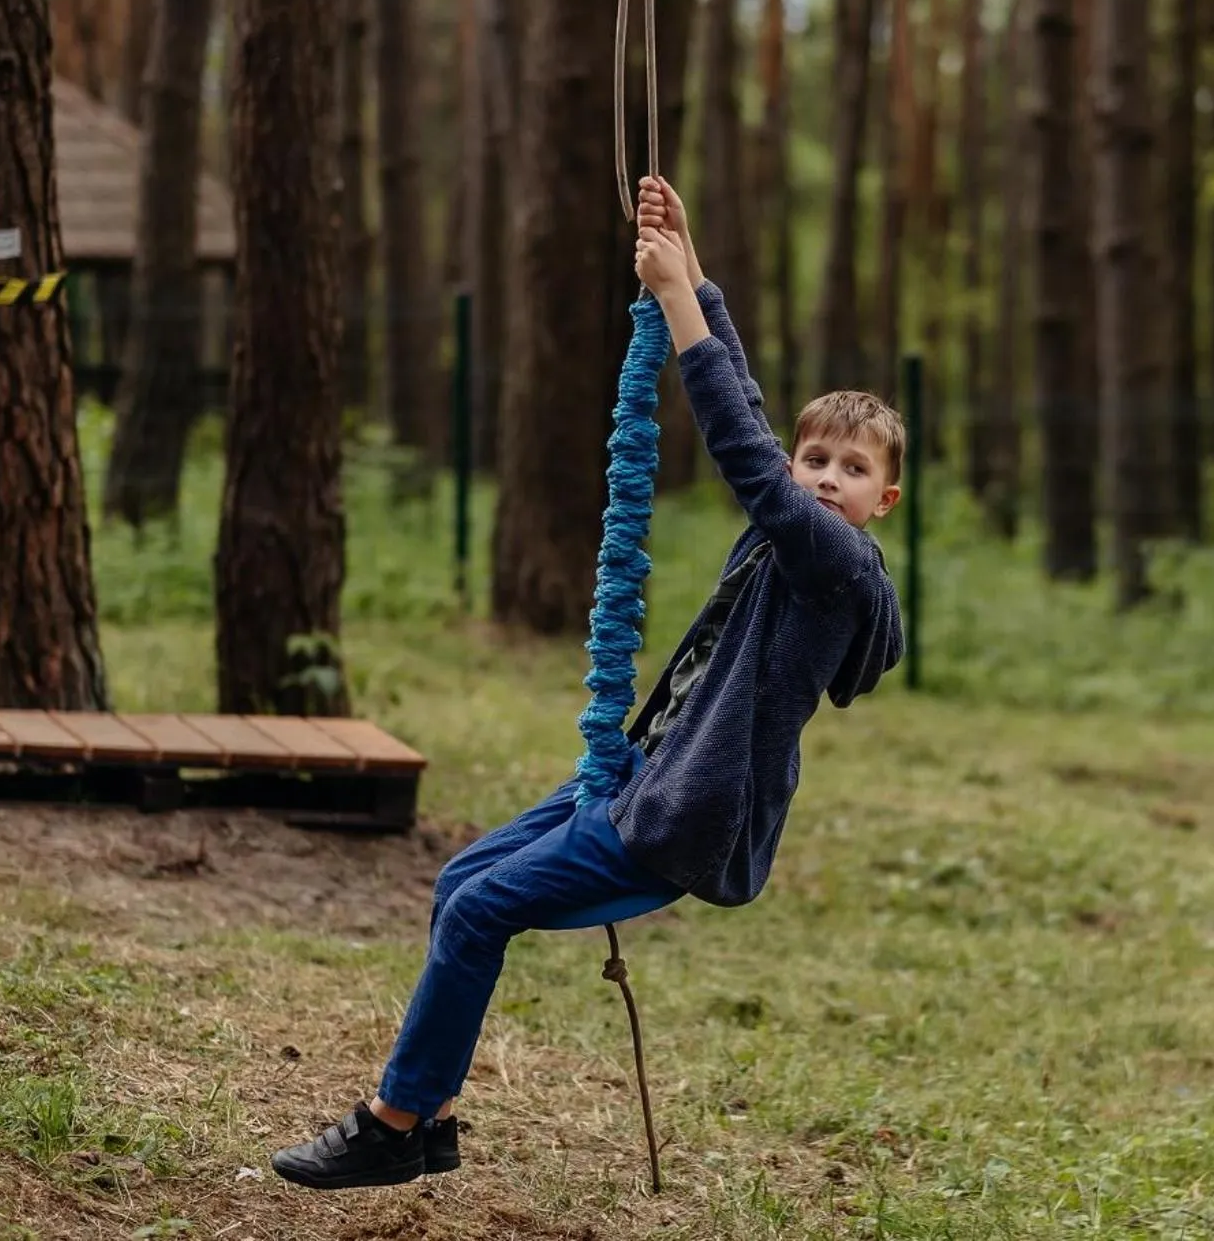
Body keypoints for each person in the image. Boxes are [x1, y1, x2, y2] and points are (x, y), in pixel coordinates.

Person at [270, 176, 906, 1190]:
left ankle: (389, 1122)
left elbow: (740, 451)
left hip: (678, 816)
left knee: (480, 914)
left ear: (883, 499)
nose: (826, 477)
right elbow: (745, 408)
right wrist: (690, 263)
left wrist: (673, 307)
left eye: (852, 469)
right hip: (638, 778)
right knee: (457, 887)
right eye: (815, 458)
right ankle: (431, 1117)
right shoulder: (791, 529)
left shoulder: (830, 564)